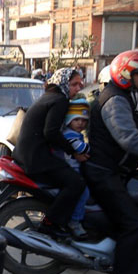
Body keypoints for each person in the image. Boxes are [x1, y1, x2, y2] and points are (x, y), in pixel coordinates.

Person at [81, 50, 138, 274]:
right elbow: (129, 139)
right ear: (125, 72)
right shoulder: (114, 100)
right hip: (104, 172)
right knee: (132, 224)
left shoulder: (132, 96)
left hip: (119, 169)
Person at [13, 67, 88, 239]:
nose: (78, 88)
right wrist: (74, 151)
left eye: (80, 84)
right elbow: (51, 133)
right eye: (74, 84)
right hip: (36, 158)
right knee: (76, 183)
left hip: (27, 155)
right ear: (63, 82)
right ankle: (51, 223)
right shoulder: (60, 100)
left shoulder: (49, 96)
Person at [56, 99, 91, 238]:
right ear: (69, 120)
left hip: (73, 167)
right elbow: (81, 148)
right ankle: (75, 221)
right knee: (84, 192)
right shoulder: (69, 134)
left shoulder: (74, 133)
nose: (80, 123)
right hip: (70, 168)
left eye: (84, 120)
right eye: (76, 119)